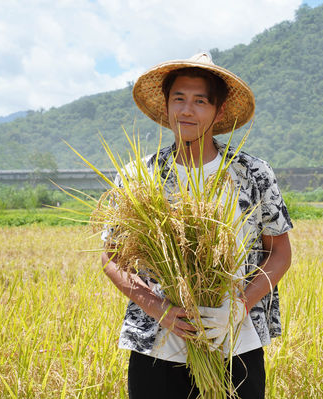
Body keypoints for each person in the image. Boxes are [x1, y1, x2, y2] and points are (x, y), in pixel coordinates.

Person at [101, 52, 293, 399]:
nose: (187, 110)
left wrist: (240, 306)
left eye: (200, 101)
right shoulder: (139, 177)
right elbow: (112, 258)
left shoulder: (252, 174)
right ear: (167, 105)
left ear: (218, 112)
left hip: (236, 342)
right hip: (157, 348)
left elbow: (279, 253)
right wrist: (160, 310)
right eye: (179, 99)